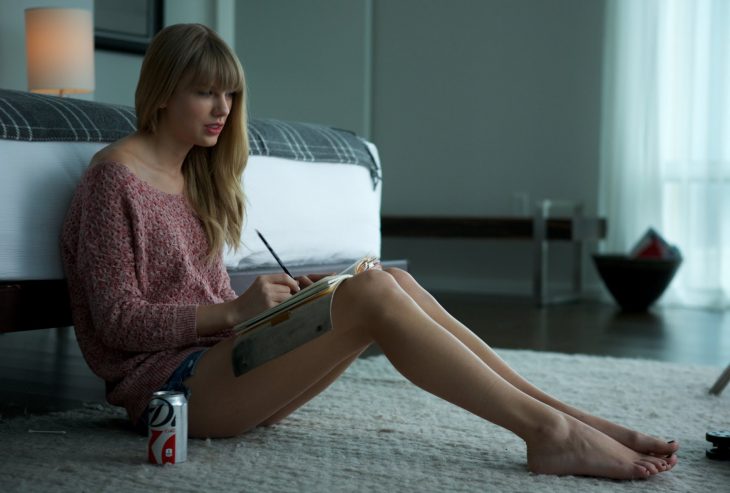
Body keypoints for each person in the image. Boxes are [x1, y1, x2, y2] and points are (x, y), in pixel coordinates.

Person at [61, 23, 678, 480]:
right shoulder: (113, 179)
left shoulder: (195, 176)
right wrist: (232, 313)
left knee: (380, 279)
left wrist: (279, 305)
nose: (224, 109)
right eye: (205, 93)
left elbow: (203, 298)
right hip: (174, 394)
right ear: (164, 92)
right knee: (373, 295)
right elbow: (117, 321)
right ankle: (549, 433)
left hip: (223, 367)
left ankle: (570, 417)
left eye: (231, 95)